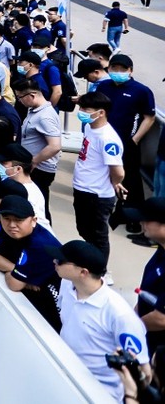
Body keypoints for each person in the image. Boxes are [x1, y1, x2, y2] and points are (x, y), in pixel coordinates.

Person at [51, 239, 151, 402]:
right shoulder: (67, 283)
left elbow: (142, 369)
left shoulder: (119, 314)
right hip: (65, 376)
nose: (55, 262)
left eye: (61, 261)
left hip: (98, 394)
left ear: (83, 272)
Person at [97, 54, 158, 246]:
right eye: (114, 68)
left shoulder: (141, 91)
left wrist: (136, 138)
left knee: (130, 179)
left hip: (127, 143)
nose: (118, 72)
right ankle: (111, 209)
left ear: (130, 71)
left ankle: (132, 216)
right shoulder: (104, 86)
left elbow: (149, 117)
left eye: (122, 69)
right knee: (105, 174)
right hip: (104, 141)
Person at [0, 195, 63, 330]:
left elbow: (14, 284)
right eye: (6, 219)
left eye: (18, 220)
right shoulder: (14, 232)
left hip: (55, 310)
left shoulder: (40, 244)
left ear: (33, 221)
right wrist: (17, 272)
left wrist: (16, 276)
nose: (11, 225)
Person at [73, 91, 127, 259]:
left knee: (98, 236)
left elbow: (118, 171)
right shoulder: (90, 127)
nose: (81, 111)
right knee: (84, 230)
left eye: (86, 109)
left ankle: (100, 270)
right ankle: (90, 260)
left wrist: (114, 182)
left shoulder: (108, 138)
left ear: (101, 112)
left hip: (96, 194)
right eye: (81, 107)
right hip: (82, 188)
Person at [14, 79, 62, 224]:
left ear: (32, 95)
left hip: (40, 170)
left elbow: (55, 146)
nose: (20, 101)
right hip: (34, 167)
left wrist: (34, 161)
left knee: (39, 207)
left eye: (21, 97)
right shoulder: (34, 110)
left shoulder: (45, 116)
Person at [125, 197, 165, 358]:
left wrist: (130, 328)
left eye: (146, 219)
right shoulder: (161, 249)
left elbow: (162, 319)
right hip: (147, 339)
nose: (141, 223)